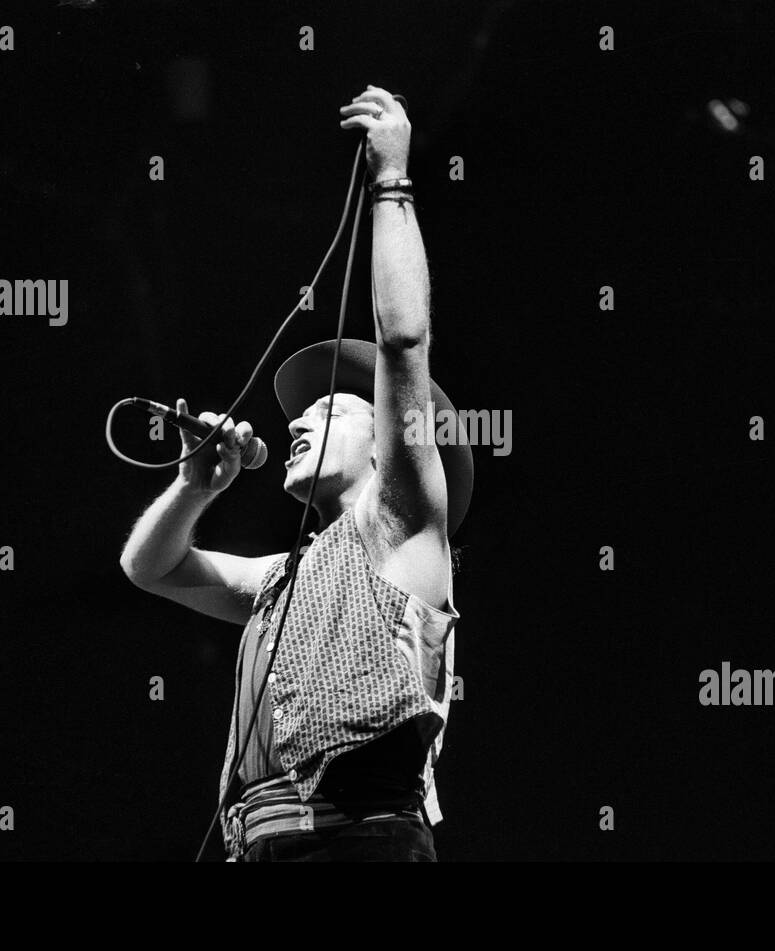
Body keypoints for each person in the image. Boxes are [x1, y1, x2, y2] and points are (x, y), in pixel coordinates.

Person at [119, 85, 473, 861]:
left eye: (332, 409)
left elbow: (404, 341)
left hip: (358, 842)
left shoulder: (401, 526)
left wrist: (392, 183)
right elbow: (151, 567)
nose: (301, 420)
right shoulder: (285, 578)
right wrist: (195, 488)